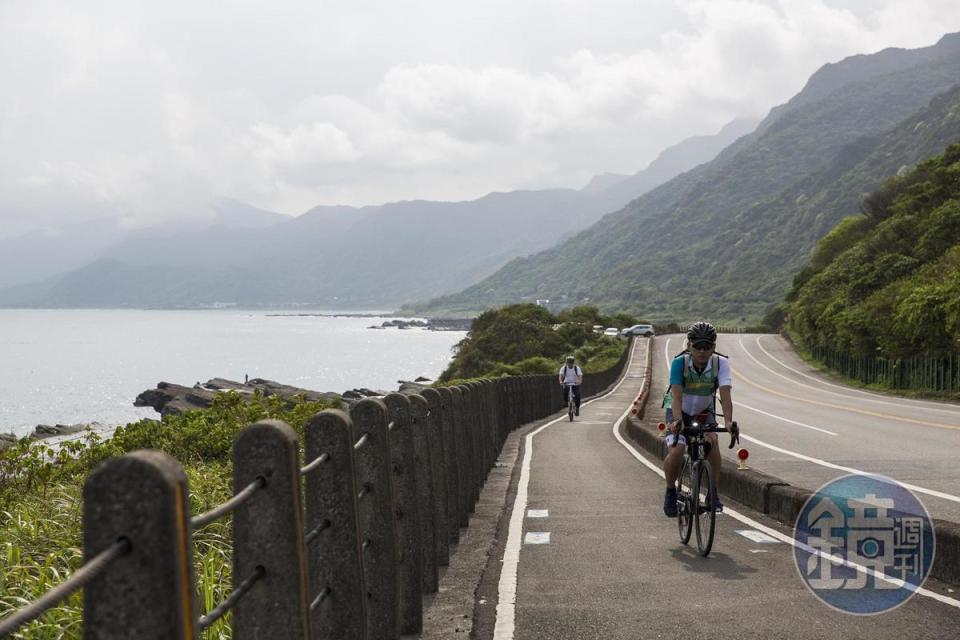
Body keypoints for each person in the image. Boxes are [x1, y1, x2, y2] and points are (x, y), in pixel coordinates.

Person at [662, 321, 733, 517]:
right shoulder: (680, 363)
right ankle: (669, 491)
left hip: (704, 411)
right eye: (698, 346)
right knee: (677, 450)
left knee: (712, 442)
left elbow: (725, 396)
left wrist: (728, 422)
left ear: (714, 347)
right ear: (689, 345)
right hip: (678, 410)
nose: (702, 351)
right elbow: (676, 397)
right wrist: (677, 421)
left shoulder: (721, 364)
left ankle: (713, 494)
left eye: (707, 346)